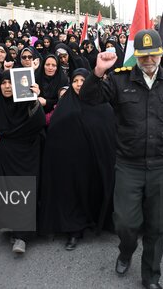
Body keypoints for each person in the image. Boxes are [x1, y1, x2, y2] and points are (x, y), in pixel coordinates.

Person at [79, 29, 163, 289]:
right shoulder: (119, 80)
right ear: (136, 56)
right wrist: (98, 71)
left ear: (160, 54)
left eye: (152, 54)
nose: (148, 60)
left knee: (157, 226)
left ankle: (151, 276)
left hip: (162, 165)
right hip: (128, 165)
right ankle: (126, 250)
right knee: (125, 222)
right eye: (143, 56)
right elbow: (88, 98)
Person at [39, 68, 116, 250]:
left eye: (83, 80)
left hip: (95, 163)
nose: (79, 84)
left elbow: (108, 133)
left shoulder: (102, 105)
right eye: (75, 81)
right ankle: (74, 230)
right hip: (71, 165)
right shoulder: (65, 105)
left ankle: (101, 221)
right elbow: (55, 134)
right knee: (72, 195)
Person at [0, 70, 44, 253]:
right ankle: (12, 228)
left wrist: (34, 98)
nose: (7, 86)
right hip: (4, 159)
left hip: (25, 156)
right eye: (4, 83)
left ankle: (22, 236)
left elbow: (37, 124)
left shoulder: (26, 103)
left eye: (11, 83)